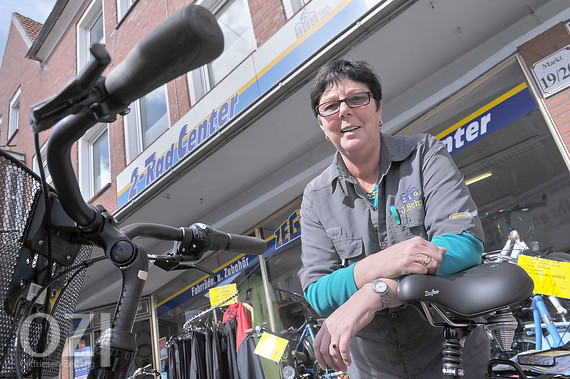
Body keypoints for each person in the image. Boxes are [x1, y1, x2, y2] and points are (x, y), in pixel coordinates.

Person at [297, 58, 490, 378]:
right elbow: (318, 292)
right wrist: (388, 262)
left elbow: (463, 243)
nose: (344, 111)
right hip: (373, 368)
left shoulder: (425, 154)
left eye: (357, 99)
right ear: (322, 125)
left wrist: (377, 293)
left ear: (379, 109)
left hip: (453, 353)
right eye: (329, 106)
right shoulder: (315, 199)